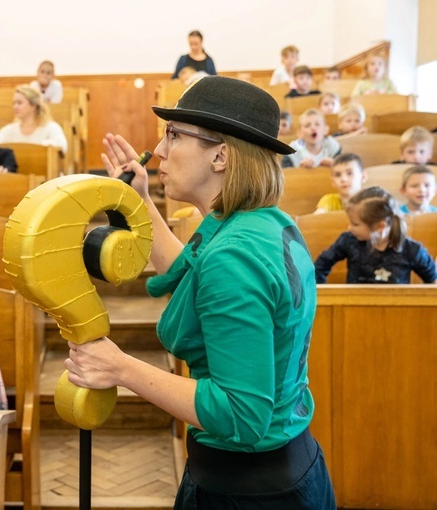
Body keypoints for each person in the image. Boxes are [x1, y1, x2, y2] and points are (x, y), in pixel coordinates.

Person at [65, 76, 335, 508]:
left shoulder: (235, 256)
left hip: (250, 489)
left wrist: (121, 369)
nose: (158, 150)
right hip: (284, 464)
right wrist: (140, 200)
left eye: (174, 134)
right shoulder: (260, 223)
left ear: (221, 156)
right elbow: (192, 276)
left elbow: (240, 413)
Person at [315, 187, 436, 284]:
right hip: (355, 309)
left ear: (380, 226)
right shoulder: (348, 240)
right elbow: (320, 266)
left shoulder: (412, 250)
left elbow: (432, 281)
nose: (349, 228)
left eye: (355, 224)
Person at [0, 86, 69, 154]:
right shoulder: (8, 130)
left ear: (33, 106)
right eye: (14, 103)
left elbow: (62, 146)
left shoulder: (51, 127)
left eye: (19, 103)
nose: (15, 107)